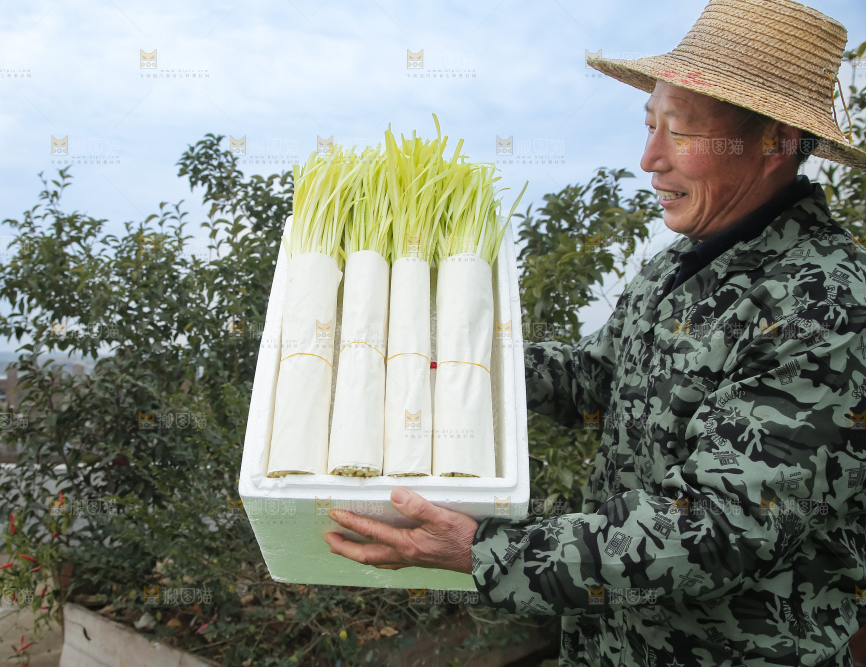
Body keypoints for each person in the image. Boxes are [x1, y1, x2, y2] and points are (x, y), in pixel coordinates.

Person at [323, 0, 866, 664]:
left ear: (776, 143)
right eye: (649, 124)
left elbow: (721, 528)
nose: (649, 158)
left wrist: (486, 550)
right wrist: (452, 358)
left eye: (680, 132)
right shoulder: (681, 263)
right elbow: (595, 381)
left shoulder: (828, 303)